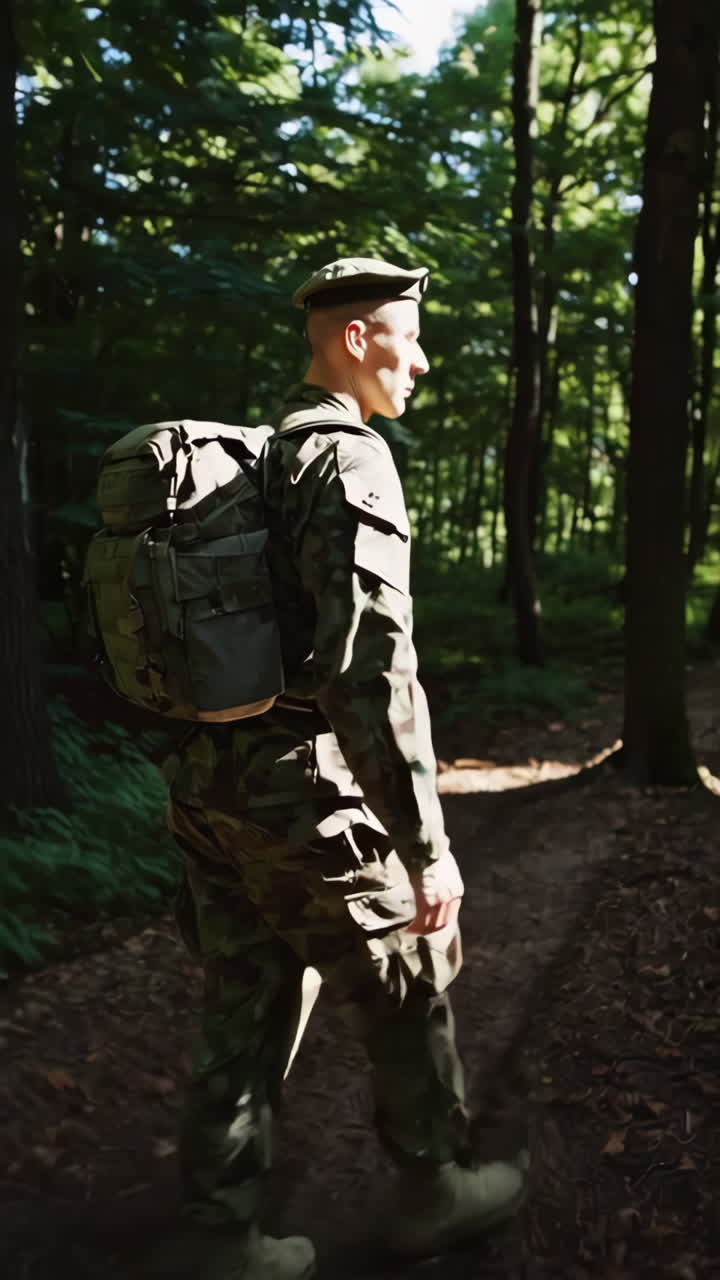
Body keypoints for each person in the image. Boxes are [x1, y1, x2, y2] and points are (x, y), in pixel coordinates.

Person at [165, 257, 528, 1280]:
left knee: (246, 989)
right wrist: (427, 843)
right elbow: (372, 668)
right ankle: (435, 1188)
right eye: (410, 336)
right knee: (410, 968)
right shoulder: (349, 458)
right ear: (359, 336)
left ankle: (220, 1230)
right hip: (299, 789)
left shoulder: (255, 456)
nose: (422, 359)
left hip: (210, 782)